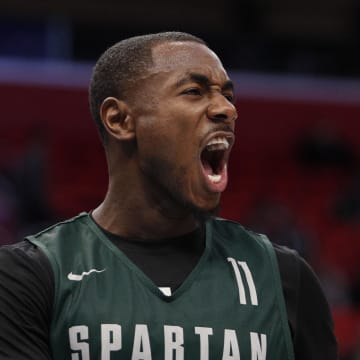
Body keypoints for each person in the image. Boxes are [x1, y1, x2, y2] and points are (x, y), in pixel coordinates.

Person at [0, 31, 337, 359]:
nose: (227, 110)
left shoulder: (285, 278)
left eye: (228, 96)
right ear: (119, 120)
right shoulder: (29, 276)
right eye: (194, 91)